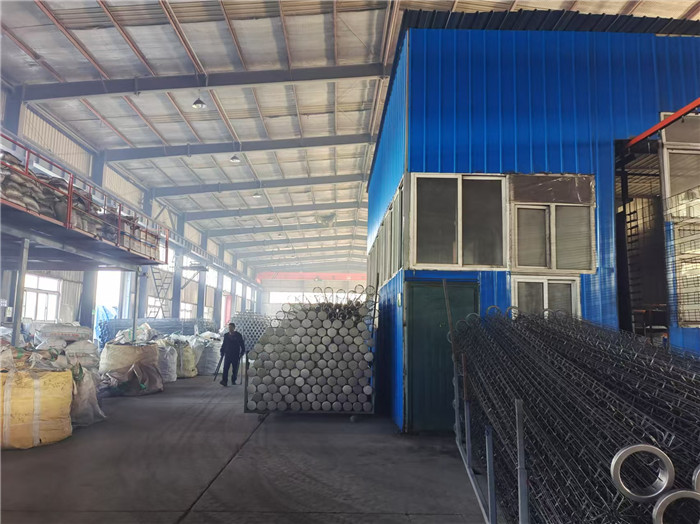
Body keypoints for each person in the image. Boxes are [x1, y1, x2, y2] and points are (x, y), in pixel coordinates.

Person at [219, 322, 244, 386]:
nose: (230, 329)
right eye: (229, 327)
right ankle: (224, 381)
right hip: (228, 354)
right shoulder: (226, 335)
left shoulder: (238, 335)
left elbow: (242, 344)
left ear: (234, 328)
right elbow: (224, 344)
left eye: (231, 327)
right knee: (225, 368)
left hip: (235, 354)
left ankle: (233, 380)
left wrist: (242, 352)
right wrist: (222, 351)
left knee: (235, 369)